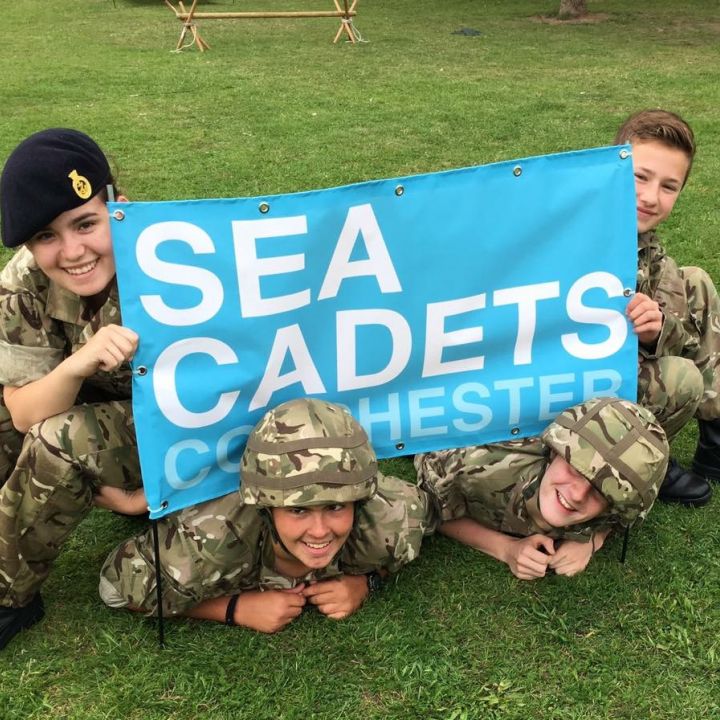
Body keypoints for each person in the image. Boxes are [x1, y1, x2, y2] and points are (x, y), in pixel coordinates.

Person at [99, 397, 437, 633]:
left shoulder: (394, 518)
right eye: (298, 510)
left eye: (335, 507)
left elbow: (416, 523)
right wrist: (234, 609)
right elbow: (115, 588)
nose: (320, 531)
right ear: (265, 507)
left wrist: (366, 582)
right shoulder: (207, 543)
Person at [0, 129, 141, 650]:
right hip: (101, 405)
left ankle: (8, 595)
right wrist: (76, 366)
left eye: (86, 223)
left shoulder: (176, 254)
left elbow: (239, 391)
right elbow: (22, 411)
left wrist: (146, 497)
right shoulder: (24, 282)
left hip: (182, 426)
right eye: (46, 236)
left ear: (117, 205)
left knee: (61, 440)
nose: (73, 252)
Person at [415, 397, 668, 580]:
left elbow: (624, 517)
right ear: (554, 453)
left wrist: (592, 540)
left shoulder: (621, 501)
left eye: (602, 491)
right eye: (575, 469)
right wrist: (505, 548)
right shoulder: (479, 469)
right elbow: (431, 507)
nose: (578, 495)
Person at [619, 109, 720, 505]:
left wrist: (657, 328)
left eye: (668, 186)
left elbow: (684, 339)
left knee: (695, 279)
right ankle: (640, 456)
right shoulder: (570, 232)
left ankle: (714, 442)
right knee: (681, 378)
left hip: (621, 366)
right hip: (569, 381)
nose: (650, 197)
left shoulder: (651, 252)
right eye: (640, 177)